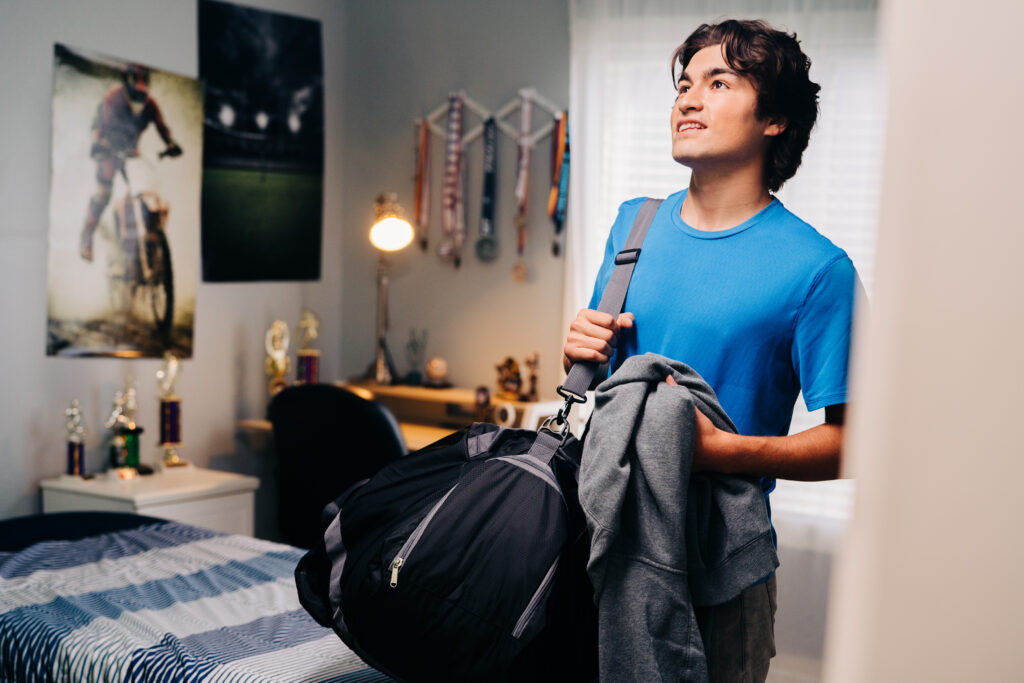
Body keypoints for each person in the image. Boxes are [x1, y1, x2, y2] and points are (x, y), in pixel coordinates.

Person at [562, 19, 863, 682]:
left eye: (717, 83)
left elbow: (857, 444)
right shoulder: (632, 226)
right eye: (683, 85)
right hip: (602, 543)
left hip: (723, 572)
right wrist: (581, 355)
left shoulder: (817, 269)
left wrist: (721, 452)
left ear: (775, 119)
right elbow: (613, 390)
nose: (687, 101)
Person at [79, 63, 181, 262]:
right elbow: (101, 126)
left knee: (146, 191)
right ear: (127, 83)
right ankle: (86, 238)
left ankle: (152, 239)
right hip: (108, 151)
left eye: (144, 85)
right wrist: (99, 143)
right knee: (103, 194)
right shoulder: (113, 98)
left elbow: (162, 127)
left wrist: (170, 143)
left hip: (132, 153)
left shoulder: (151, 104)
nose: (140, 92)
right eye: (136, 85)